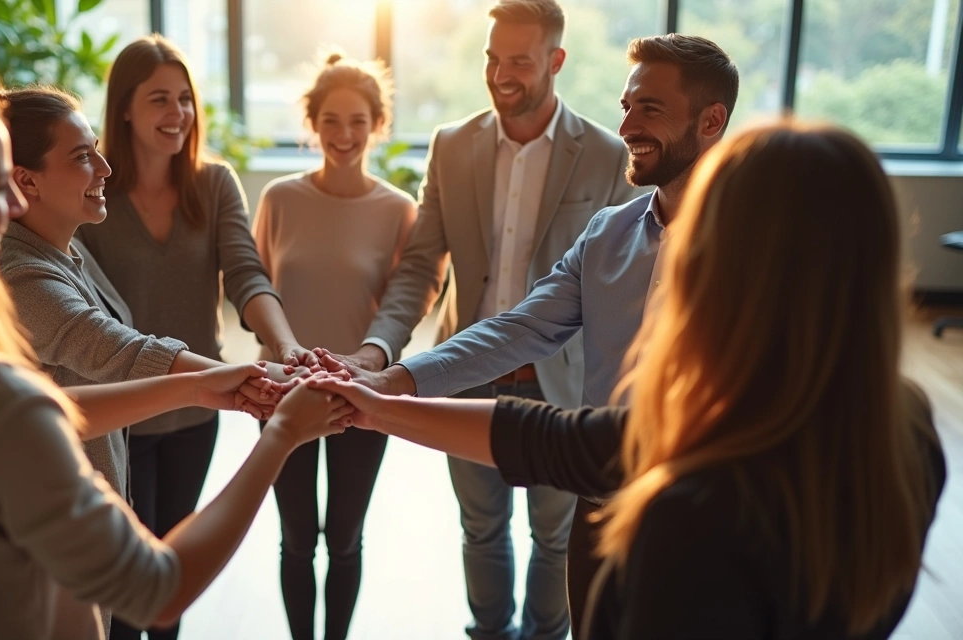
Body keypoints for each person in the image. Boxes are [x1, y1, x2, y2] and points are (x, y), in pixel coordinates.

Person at [0, 69, 351, 639]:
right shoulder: (2, 404)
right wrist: (280, 438)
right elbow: (158, 590)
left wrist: (196, 387)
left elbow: (27, 415)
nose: (10, 205)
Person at [312, 120, 948, 639]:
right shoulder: (907, 427)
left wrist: (371, 404)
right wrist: (373, 401)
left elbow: (565, 443)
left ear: (728, 267)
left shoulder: (690, 514)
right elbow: (554, 438)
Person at [322, 33, 737, 635]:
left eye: (650, 108)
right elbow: (518, 329)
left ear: (711, 120)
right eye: (626, 106)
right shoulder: (608, 236)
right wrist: (395, 378)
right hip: (600, 504)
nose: (627, 126)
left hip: (706, 513)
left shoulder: (758, 246)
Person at [0, 85, 296, 635]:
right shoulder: (21, 274)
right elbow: (114, 348)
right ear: (26, 181)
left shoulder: (64, 243)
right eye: (82, 156)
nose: (104, 168)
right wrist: (265, 382)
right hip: (56, 528)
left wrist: (263, 372)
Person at [74, 35, 315, 640]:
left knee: (173, 574)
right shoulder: (91, 195)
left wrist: (285, 347)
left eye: (185, 99)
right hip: (118, 413)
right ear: (123, 108)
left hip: (196, 410)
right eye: (160, 99)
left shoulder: (214, 184)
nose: (178, 113)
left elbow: (246, 274)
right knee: (125, 582)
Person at [251, 52, 416, 640]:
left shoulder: (399, 210)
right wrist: (281, 353)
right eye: (330, 121)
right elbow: (255, 290)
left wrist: (368, 368)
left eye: (357, 122)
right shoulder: (278, 199)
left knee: (345, 540)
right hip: (281, 394)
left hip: (359, 397)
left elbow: (405, 305)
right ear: (312, 123)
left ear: (378, 125)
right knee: (296, 540)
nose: (343, 135)